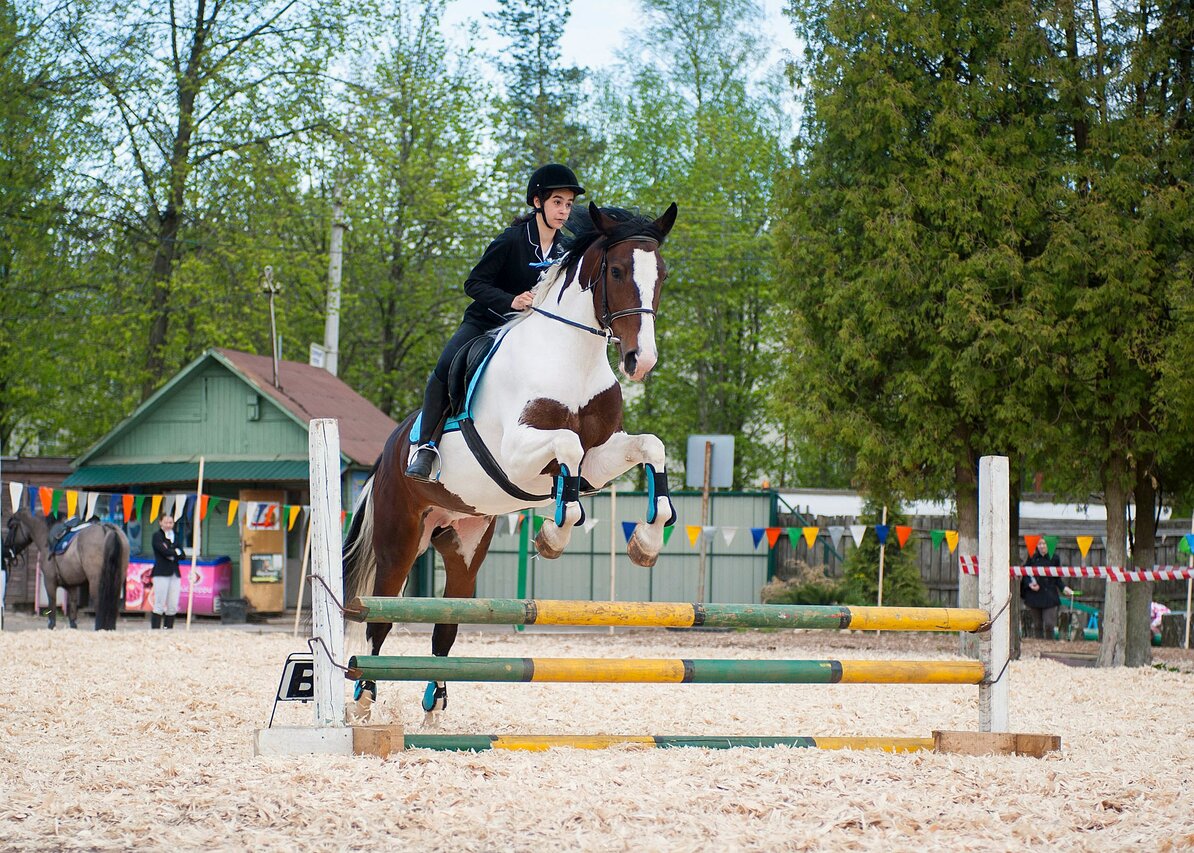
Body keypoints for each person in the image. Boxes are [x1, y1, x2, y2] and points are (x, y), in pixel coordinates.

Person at [405, 163, 585, 481]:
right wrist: (510, 300)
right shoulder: (511, 239)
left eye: (568, 204)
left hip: (529, 331)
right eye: (557, 202)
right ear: (537, 202)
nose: (564, 211)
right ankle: (425, 447)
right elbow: (473, 284)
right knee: (445, 367)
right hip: (485, 322)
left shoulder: (564, 249)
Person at [1021, 538, 1072, 639]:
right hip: (1034, 595)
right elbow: (1025, 574)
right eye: (1039, 544)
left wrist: (1063, 588)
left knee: (1049, 624)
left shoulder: (1055, 558)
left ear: (1048, 545)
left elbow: (1057, 578)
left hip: (1049, 595)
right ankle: (1039, 645)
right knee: (1037, 625)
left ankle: (1049, 644)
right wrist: (1030, 584)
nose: (1042, 546)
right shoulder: (1032, 558)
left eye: (1044, 543)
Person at [150, 513, 186, 629]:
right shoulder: (157, 536)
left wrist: (173, 552)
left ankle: (168, 628)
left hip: (175, 572)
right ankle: (155, 629)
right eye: (166, 522)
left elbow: (183, 555)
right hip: (161, 572)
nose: (168, 525)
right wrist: (175, 552)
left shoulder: (176, 535)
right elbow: (163, 551)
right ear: (160, 522)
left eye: (171, 522)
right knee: (159, 602)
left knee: (173, 604)